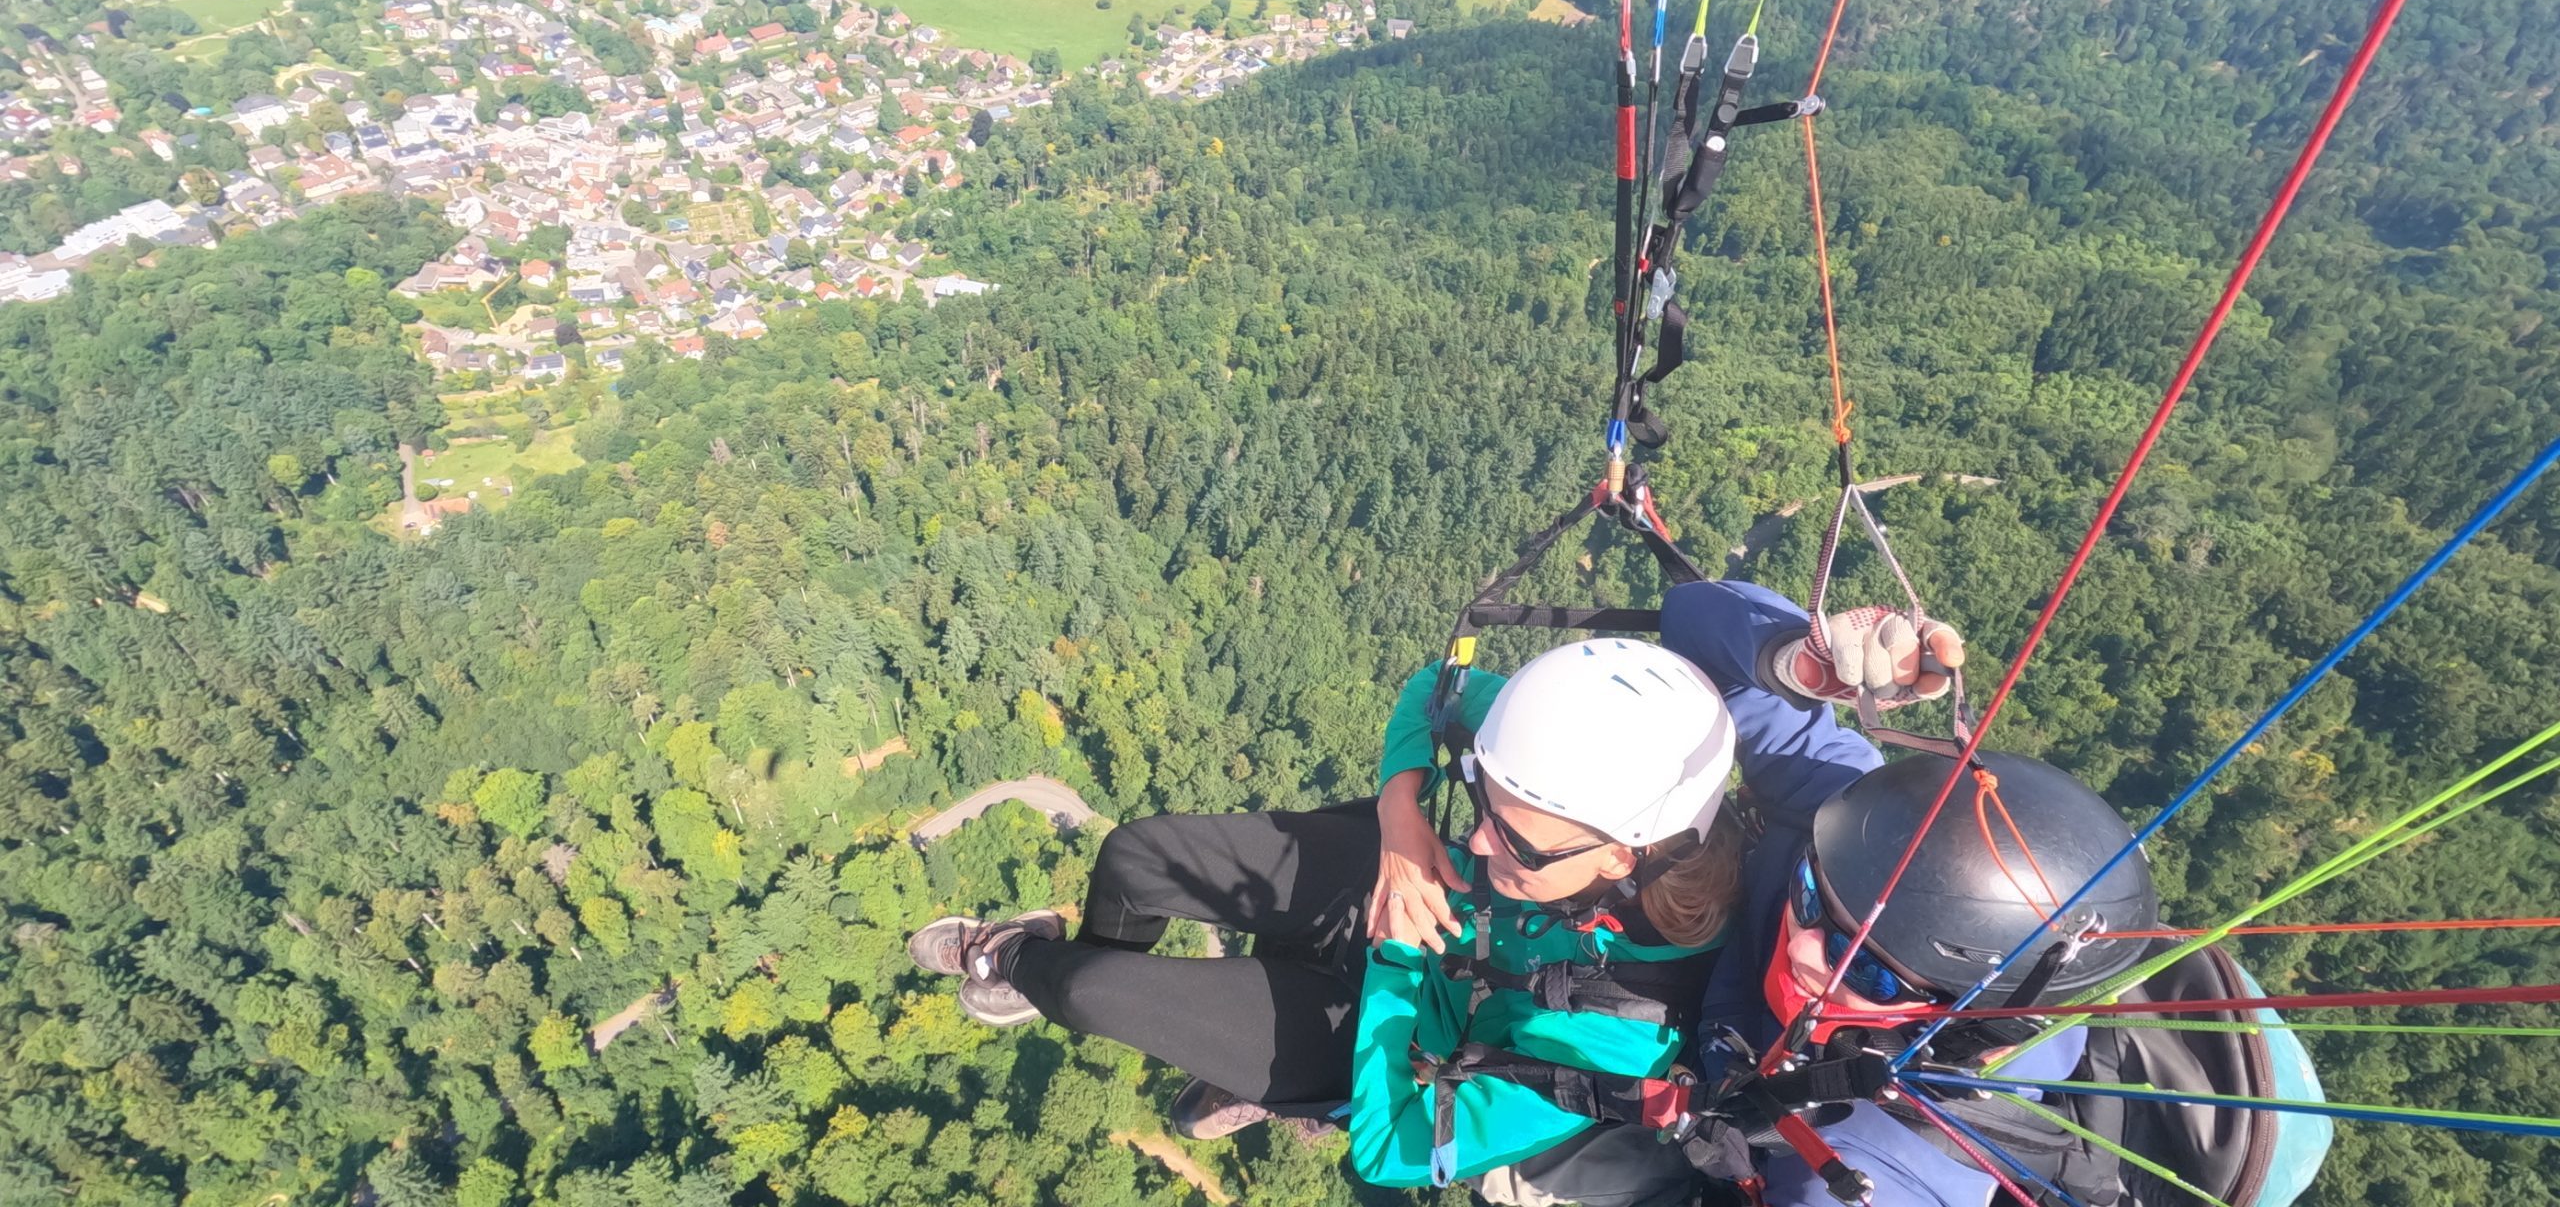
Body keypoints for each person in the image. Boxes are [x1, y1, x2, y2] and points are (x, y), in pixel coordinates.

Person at [905, 581, 1962, 1199]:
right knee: (1138, 855)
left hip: (1407, 1021)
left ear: (1625, 853)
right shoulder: (1586, 766)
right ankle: (1146, 977)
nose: (1491, 839)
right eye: (1486, 801)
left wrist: (1403, 949)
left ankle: (1030, 963)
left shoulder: (1621, 1033)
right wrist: (1409, 825)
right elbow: (1437, 694)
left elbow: (1399, 1145)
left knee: (1089, 990)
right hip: (1410, 890)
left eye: (1521, 841)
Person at [1718, 752, 2330, 1207]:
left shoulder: (1865, 1170)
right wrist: (1793, 659)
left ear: (1979, 1028)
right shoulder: (1864, 842)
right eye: (1809, 891)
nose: (1802, 945)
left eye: (1872, 971)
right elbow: (1705, 619)